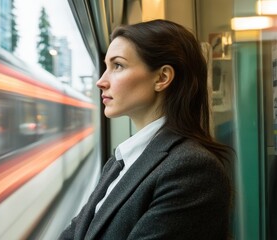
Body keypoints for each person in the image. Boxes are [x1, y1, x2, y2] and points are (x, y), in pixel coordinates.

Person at [58, 19, 232, 240]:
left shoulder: (192, 169)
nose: (101, 81)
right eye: (105, 67)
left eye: (117, 66)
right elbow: (77, 231)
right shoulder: (121, 161)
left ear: (162, 77)